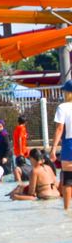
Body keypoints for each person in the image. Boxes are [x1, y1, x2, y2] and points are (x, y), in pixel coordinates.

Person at [50, 80, 72, 210]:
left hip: (69, 143)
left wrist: (53, 149)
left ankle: (67, 210)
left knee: (68, 179)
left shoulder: (63, 107)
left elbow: (59, 129)